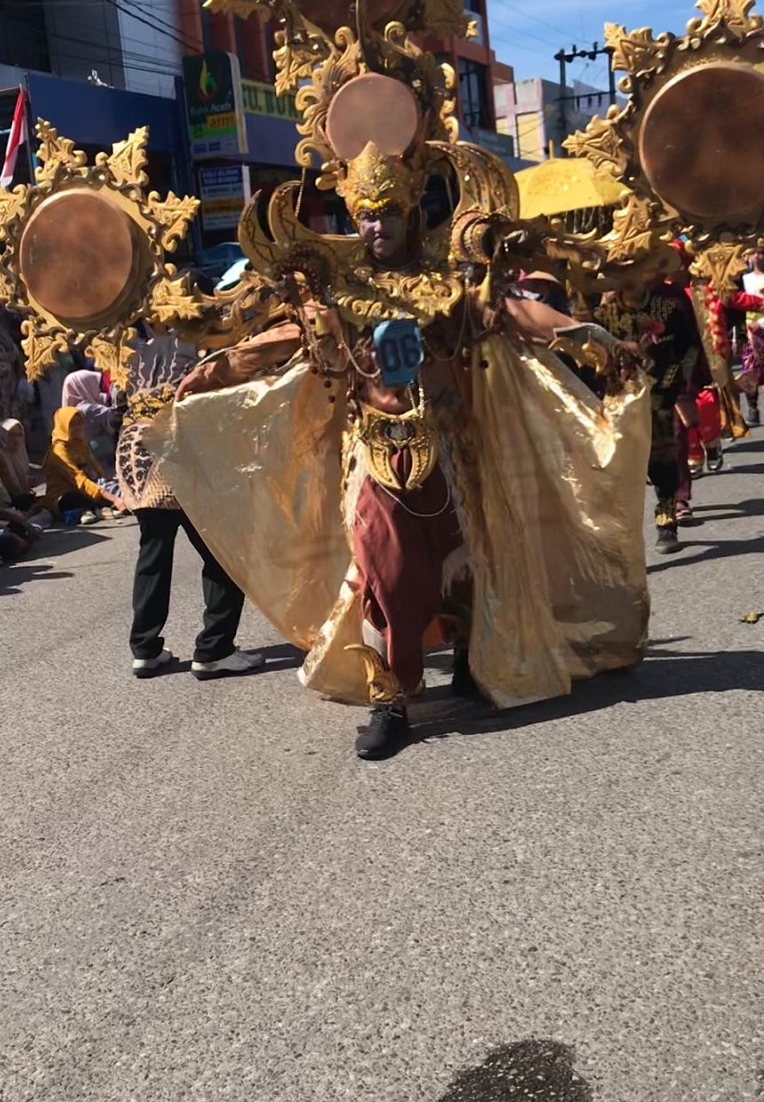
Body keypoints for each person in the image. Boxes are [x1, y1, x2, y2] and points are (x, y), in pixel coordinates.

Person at [164, 143, 650, 762]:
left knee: (470, 561)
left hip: (455, 454)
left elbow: (512, 315)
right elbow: (283, 337)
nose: (375, 225)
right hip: (376, 457)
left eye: (388, 212)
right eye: (365, 214)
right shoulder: (338, 286)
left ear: (410, 213)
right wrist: (213, 372)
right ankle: (391, 698)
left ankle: (479, 663)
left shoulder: (447, 279)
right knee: (386, 574)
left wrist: (593, 337)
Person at [115, 328, 257, 680]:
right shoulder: (202, 341)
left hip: (134, 451)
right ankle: (215, 649)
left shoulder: (137, 347)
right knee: (223, 552)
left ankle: (145, 649)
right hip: (175, 451)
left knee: (153, 552)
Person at [597, 276, 700, 554]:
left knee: (663, 461)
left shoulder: (668, 308)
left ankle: (666, 522)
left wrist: (677, 382)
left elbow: (689, 348)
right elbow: (589, 355)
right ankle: (622, 538)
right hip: (616, 401)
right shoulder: (602, 314)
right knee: (616, 469)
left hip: (660, 396)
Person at [41, 408, 125, 523]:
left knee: (106, 489)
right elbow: (78, 479)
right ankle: (96, 509)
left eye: (80, 423)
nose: (78, 427)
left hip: (84, 489)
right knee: (76, 498)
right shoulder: (58, 451)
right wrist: (114, 499)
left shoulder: (79, 443)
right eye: (73, 424)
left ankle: (97, 509)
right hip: (63, 495)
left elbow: (95, 466)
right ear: (64, 425)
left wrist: (106, 483)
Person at [61, 370, 120, 477]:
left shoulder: (69, 416)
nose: (99, 388)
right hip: (105, 467)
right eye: (95, 384)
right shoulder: (88, 410)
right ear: (85, 385)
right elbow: (116, 418)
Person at [738, 248, 764, 425]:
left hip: (761, 323)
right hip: (749, 329)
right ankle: (753, 407)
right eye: (754, 252)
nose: (757, 256)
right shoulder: (744, 280)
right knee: (751, 368)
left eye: (761, 252)